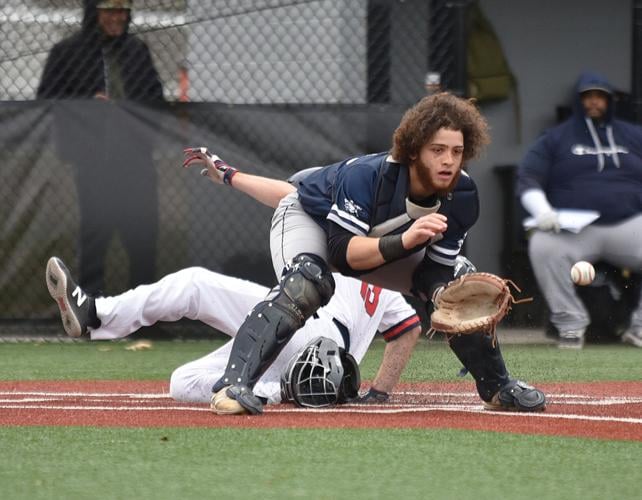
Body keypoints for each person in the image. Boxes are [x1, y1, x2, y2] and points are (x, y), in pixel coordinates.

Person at [182, 92, 547, 416]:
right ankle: (234, 386)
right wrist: (230, 175)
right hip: (312, 224)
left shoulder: (462, 196)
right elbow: (343, 255)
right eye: (437, 150)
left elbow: (431, 273)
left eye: (456, 151)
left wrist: (441, 296)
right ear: (414, 149)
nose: (448, 160)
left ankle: (497, 386)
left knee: (457, 279)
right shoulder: (369, 176)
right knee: (310, 279)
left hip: (376, 245)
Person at [45, 256, 421, 409]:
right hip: (313, 363)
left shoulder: (346, 238)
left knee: (195, 284)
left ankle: (96, 314)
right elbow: (408, 329)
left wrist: (231, 176)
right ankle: (279, 391)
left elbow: (406, 328)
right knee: (182, 382)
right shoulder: (391, 270)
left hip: (307, 332)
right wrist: (379, 394)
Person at [37, 0, 163, 294]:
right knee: (95, 235)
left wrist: (129, 111)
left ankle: (144, 316)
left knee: (143, 237)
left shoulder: (137, 51)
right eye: (110, 11)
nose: (117, 18)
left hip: (136, 158)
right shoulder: (67, 52)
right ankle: (91, 314)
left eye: (123, 11)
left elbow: (155, 98)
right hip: (93, 160)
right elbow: (47, 99)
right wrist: (86, 106)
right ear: (94, 12)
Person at [517, 71, 642, 349]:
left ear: (610, 101)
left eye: (600, 97)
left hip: (629, 224)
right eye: (588, 97)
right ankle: (570, 324)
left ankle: (639, 328)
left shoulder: (633, 135)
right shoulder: (555, 137)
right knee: (542, 244)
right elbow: (529, 177)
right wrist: (543, 211)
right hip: (576, 229)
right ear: (578, 100)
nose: (594, 102)